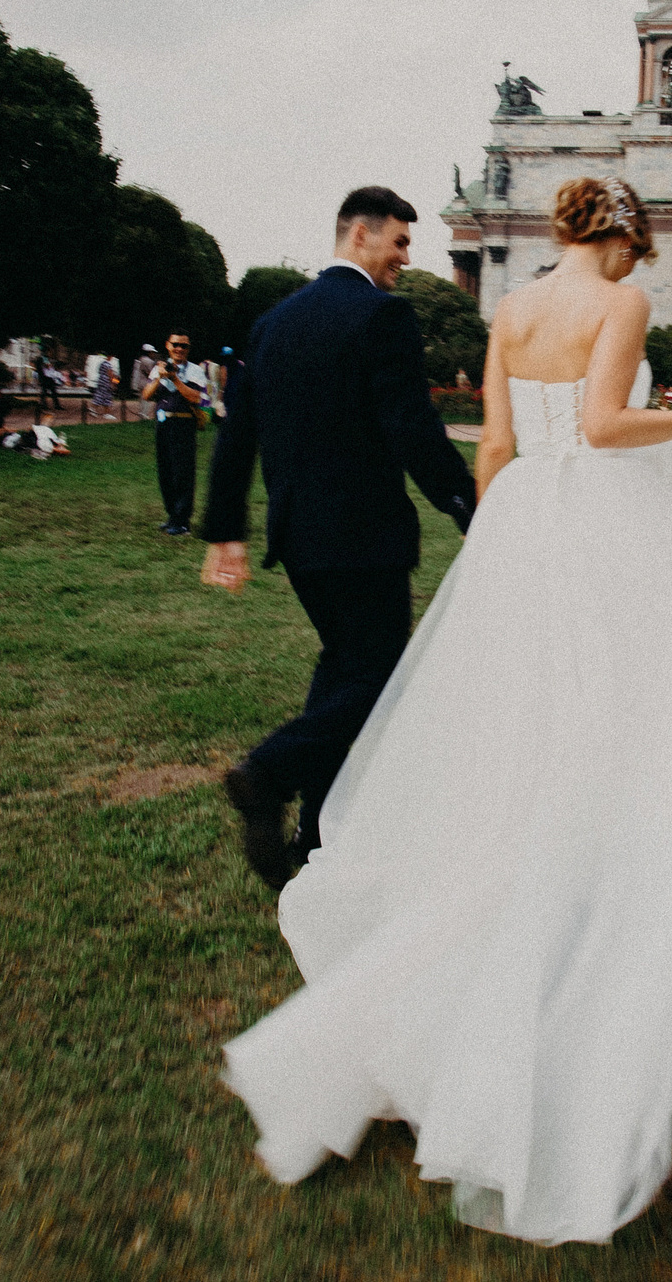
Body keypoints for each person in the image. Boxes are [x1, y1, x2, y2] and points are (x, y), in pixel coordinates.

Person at [214, 177, 672, 1246]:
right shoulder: (619, 305)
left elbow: (499, 449)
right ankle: (607, 903)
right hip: (601, 527)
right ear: (626, 238)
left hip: (525, 530)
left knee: (515, 730)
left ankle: (521, 895)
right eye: (639, 251)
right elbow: (605, 426)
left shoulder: (510, 311)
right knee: (639, 717)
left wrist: (496, 537)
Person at [203, 185, 475, 889]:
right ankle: (268, 771)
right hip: (365, 537)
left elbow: (237, 436)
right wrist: (468, 504)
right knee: (380, 677)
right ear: (360, 234)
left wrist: (226, 530)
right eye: (400, 243)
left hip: (300, 539)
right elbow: (412, 429)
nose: (405, 259)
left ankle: (317, 835)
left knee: (344, 669)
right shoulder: (381, 317)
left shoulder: (272, 322)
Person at [143, 334, 210, 535]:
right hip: (163, 423)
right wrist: (161, 378)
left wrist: (176, 379)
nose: (179, 349)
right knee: (166, 471)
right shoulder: (159, 367)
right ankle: (172, 514)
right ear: (167, 346)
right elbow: (147, 395)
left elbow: (198, 398)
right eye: (175, 345)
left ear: (189, 348)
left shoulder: (195, 371)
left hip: (183, 423)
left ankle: (182, 520)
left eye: (184, 346)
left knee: (183, 472)